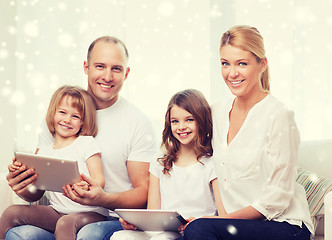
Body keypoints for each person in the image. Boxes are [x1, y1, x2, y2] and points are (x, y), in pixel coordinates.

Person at [4, 36, 157, 239]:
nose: (108, 76)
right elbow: (38, 188)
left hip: (111, 217)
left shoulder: (137, 122)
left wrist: (103, 198)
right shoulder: (60, 118)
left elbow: (144, 191)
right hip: (60, 214)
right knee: (20, 234)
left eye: (116, 69)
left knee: (88, 234)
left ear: (127, 73)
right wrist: (24, 185)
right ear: (86, 67)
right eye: (100, 66)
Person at [182, 25, 314, 240]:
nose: (232, 73)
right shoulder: (216, 113)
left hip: (284, 225)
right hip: (236, 225)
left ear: (262, 65)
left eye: (242, 63)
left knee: (199, 230)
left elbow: (278, 197)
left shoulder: (279, 115)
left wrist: (220, 221)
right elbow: (188, 160)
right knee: (191, 229)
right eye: (225, 64)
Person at [111, 89, 224, 240]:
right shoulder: (160, 161)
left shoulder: (212, 162)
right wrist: (135, 223)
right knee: (120, 237)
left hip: (195, 232)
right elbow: (153, 212)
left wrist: (197, 223)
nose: (181, 126)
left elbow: (223, 216)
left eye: (189, 119)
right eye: (175, 121)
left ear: (201, 120)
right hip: (164, 231)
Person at [0, 85, 108, 239]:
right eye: (62, 112)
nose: (67, 120)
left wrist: (88, 185)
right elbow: (36, 189)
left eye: (75, 116)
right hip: (58, 211)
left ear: (83, 122)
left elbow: (100, 180)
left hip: (90, 213)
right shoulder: (44, 151)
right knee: (11, 212)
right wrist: (21, 173)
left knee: (66, 223)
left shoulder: (86, 143)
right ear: (53, 113)